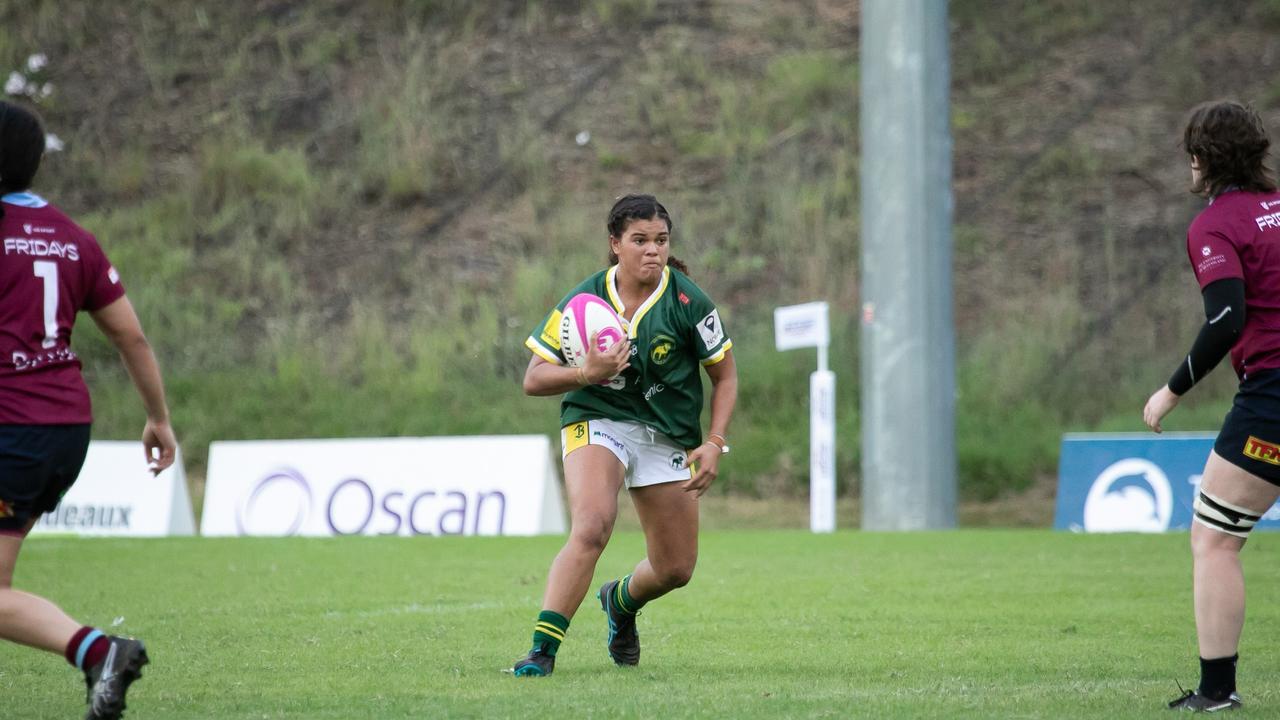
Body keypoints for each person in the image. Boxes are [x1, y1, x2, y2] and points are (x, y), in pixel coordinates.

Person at [511, 194, 738, 676]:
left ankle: (619, 602)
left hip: (665, 433)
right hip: (598, 416)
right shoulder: (584, 301)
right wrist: (584, 373)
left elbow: (726, 377)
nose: (652, 250)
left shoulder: (687, 301)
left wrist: (715, 443)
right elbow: (533, 378)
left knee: (676, 568)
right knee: (592, 524)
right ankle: (540, 652)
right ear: (615, 244)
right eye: (639, 240)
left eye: (661, 240)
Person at [0, 101, 177, 719]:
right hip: (64, 425)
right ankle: (97, 653)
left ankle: (100, 651)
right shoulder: (73, 238)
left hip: (12, 427)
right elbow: (130, 337)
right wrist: (158, 418)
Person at [1144, 100, 1280, 712]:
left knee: (1215, 540)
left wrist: (1170, 390)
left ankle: (1216, 691)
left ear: (1203, 158)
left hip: (1273, 398)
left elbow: (1226, 319)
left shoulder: (1216, 224)